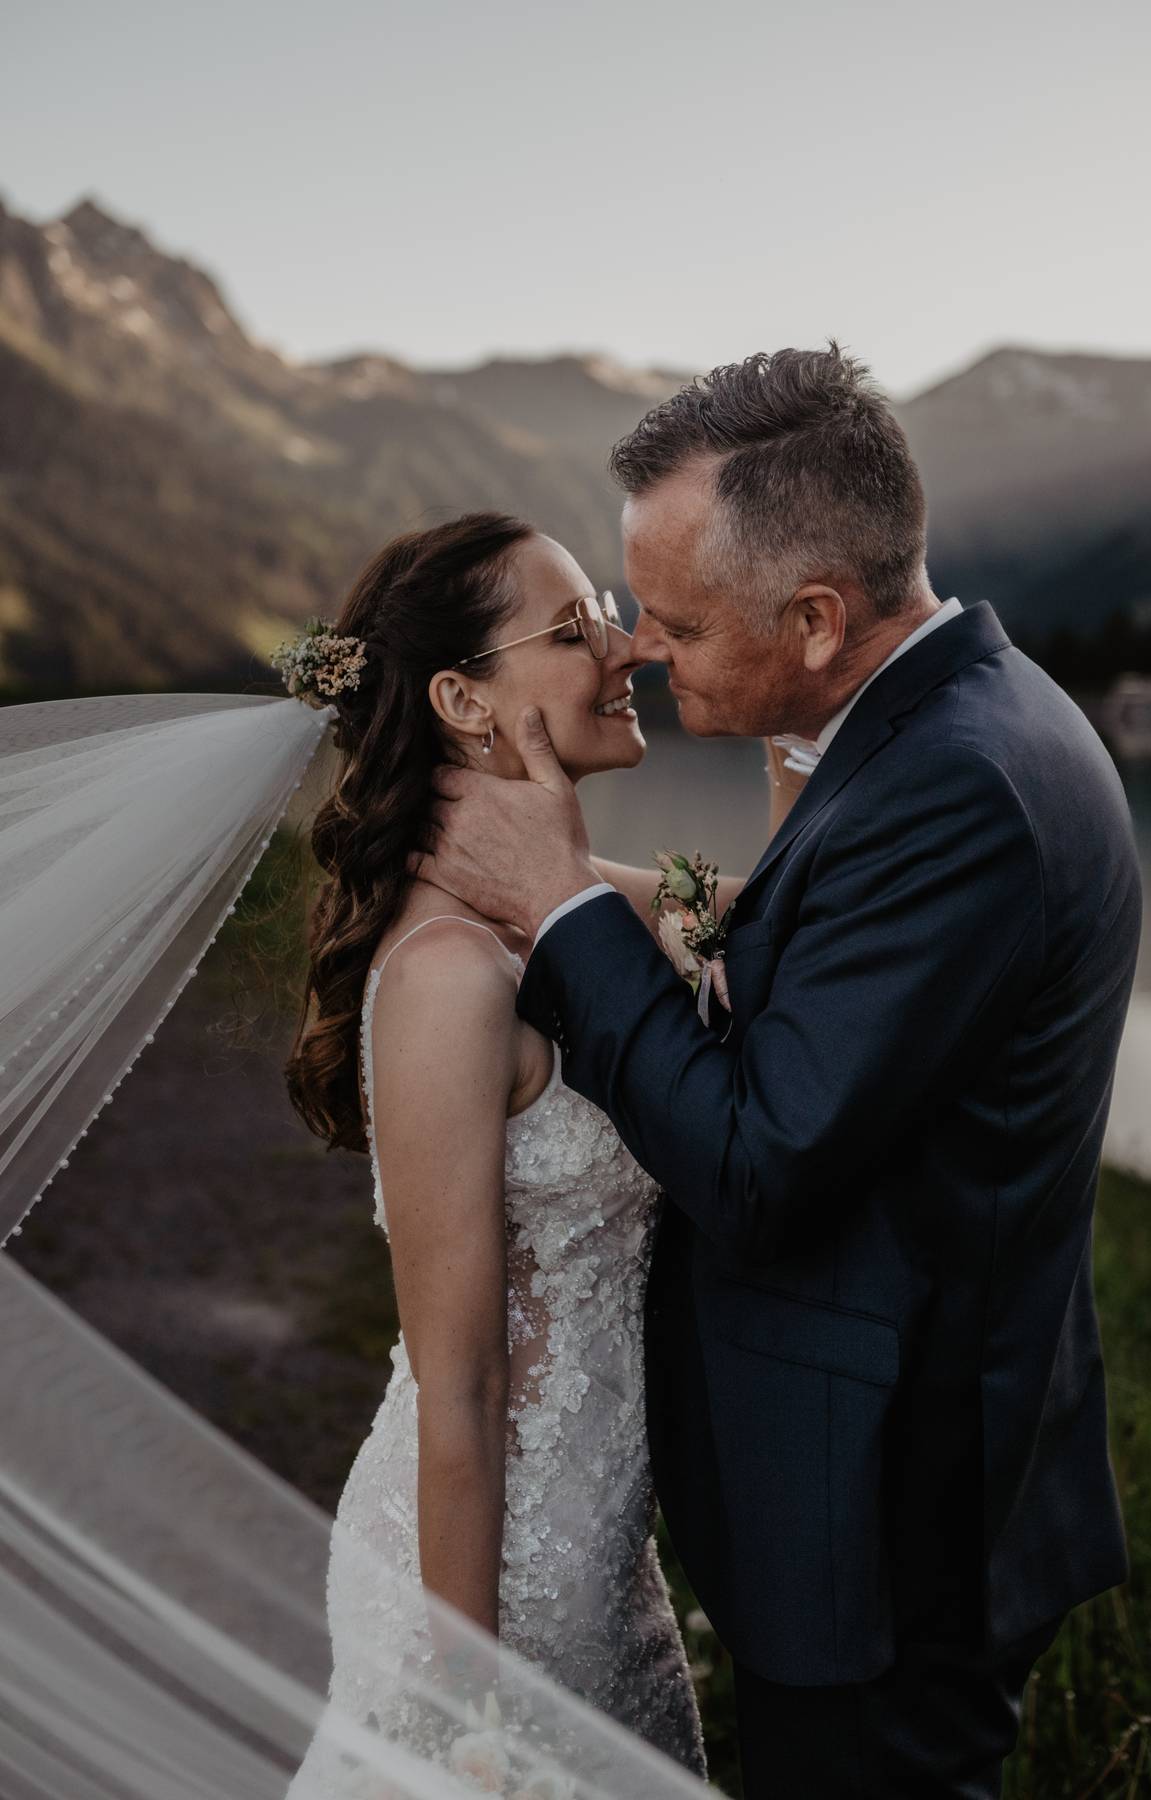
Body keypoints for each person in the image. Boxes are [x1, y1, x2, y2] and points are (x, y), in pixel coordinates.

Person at [417, 347, 1143, 1799]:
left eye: (676, 622)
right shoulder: (942, 731)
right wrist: (616, 895)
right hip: (903, 1473)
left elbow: (761, 1158)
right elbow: (841, 992)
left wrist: (560, 909)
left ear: (816, 618)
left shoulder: (960, 788)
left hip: (889, 1522)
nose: (641, 651)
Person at [280, 512, 707, 1789]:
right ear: (463, 698)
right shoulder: (452, 979)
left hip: (599, 1553)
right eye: (575, 628)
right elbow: (457, 1388)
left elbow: (750, 918)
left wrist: (800, 714)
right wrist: (473, 1714)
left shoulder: (551, 910)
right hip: (498, 1580)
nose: (622, 646)